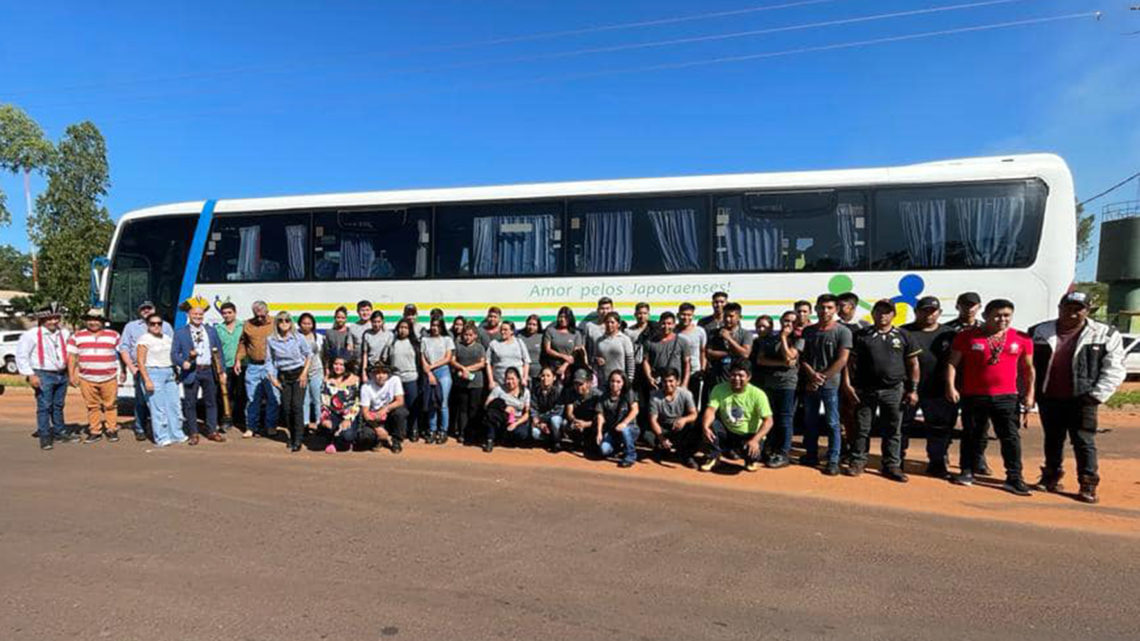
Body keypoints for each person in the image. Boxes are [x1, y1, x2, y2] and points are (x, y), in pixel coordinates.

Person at [1029, 291, 1126, 504]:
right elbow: (1029, 365)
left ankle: (1088, 483)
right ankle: (1051, 476)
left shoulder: (1105, 333)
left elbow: (1115, 368)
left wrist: (1096, 395)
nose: (1072, 313)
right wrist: (1031, 393)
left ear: (1087, 311)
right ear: (1059, 307)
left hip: (1083, 398)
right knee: (1053, 439)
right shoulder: (1039, 331)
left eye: (1078, 309)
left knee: (1083, 441)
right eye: (1068, 308)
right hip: (1049, 397)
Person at [946, 299, 1036, 495]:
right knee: (972, 435)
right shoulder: (967, 337)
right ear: (985, 315)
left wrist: (1030, 394)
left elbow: (1028, 369)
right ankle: (967, 471)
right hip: (973, 395)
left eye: (1006, 315)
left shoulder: (1021, 338)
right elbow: (952, 363)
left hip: (1007, 397)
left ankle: (1014, 477)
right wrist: (951, 387)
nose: (1002, 319)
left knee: (1010, 438)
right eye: (997, 315)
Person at [844, 300, 921, 482]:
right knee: (862, 428)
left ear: (893, 315)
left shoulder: (904, 335)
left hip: (894, 390)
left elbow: (913, 364)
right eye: (879, 312)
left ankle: (891, 465)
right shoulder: (862, 335)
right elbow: (849, 362)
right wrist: (849, 384)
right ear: (873, 314)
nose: (883, 315)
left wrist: (913, 389)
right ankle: (858, 461)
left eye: (887, 312)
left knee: (893, 429)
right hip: (865, 390)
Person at [900, 296, 959, 478]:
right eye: (924, 310)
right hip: (908, 389)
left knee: (939, 429)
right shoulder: (904, 332)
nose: (928, 314)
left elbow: (955, 362)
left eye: (932, 311)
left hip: (939, 390)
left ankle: (937, 463)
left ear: (939, 313)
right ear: (916, 312)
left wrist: (952, 386)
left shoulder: (949, 334)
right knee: (901, 426)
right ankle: (896, 461)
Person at [799, 294, 852, 476]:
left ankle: (833, 459)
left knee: (832, 422)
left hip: (831, 385)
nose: (825, 311)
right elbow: (802, 358)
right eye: (822, 307)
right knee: (810, 421)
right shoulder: (808, 331)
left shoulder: (843, 331)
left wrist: (822, 378)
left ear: (836, 309)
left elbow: (842, 359)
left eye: (829, 307)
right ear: (816, 309)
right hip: (810, 384)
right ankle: (811, 455)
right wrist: (811, 376)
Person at [18, 302, 77, 449]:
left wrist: (71, 373)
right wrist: (30, 375)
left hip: (61, 374)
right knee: (44, 405)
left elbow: (70, 353)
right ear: (42, 320)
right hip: (43, 374)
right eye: (50, 319)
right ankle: (45, 435)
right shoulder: (31, 335)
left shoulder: (63, 333)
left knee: (58, 405)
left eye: (56, 318)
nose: (54, 321)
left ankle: (59, 431)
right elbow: (22, 356)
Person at [698, 359, 773, 472]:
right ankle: (713, 457)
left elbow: (769, 421)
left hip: (749, 435)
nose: (736, 379)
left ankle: (750, 460)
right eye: (733, 375)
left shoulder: (758, 394)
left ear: (749, 377)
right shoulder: (719, 389)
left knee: (752, 455)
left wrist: (755, 440)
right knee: (711, 425)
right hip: (728, 431)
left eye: (741, 376)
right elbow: (711, 410)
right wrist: (705, 427)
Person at [751, 310, 803, 468]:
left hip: (787, 384)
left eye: (792, 322)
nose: (788, 324)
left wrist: (783, 338)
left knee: (785, 419)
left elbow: (790, 357)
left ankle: (784, 452)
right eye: (786, 321)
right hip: (769, 383)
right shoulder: (769, 339)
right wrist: (782, 364)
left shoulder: (799, 340)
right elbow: (761, 360)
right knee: (770, 417)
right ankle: (770, 449)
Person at [171, 296, 226, 445]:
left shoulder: (211, 331)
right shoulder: (180, 332)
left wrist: (222, 371)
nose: (198, 317)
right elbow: (174, 354)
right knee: (190, 403)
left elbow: (219, 352)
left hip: (209, 371)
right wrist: (183, 363)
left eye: (200, 314)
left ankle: (212, 431)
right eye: (195, 314)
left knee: (211, 402)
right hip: (191, 372)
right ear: (189, 315)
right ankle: (193, 433)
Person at [119, 300, 172, 441]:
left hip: (161, 369)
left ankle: (162, 429)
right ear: (139, 311)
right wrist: (131, 367)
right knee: (141, 401)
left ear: (154, 309)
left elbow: (172, 346)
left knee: (161, 402)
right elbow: (124, 348)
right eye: (143, 309)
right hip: (140, 368)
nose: (146, 310)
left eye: (149, 308)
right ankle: (140, 428)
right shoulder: (131, 327)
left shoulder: (165, 326)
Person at [68, 308, 123, 444]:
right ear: (86, 321)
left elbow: (121, 354)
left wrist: (123, 371)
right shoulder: (77, 336)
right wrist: (71, 375)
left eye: (97, 320)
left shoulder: (114, 335)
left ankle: (111, 430)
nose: (93, 323)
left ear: (102, 322)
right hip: (86, 377)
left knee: (110, 405)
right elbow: (72, 357)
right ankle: (95, 431)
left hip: (109, 376)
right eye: (90, 320)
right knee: (92, 406)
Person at [137, 312, 185, 447]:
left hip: (169, 372)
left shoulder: (167, 338)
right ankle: (161, 437)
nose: (156, 326)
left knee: (174, 405)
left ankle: (176, 433)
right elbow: (140, 362)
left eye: (159, 323)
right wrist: (146, 379)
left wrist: (176, 371)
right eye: (153, 323)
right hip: (153, 372)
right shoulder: (144, 339)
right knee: (158, 408)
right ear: (147, 325)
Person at [266, 311, 312, 452]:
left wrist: (304, 373)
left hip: (299, 374)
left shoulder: (298, 338)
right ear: (277, 323)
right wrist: (272, 378)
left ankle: (298, 439)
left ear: (291, 322)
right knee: (286, 408)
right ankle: (291, 436)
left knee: (297, 406)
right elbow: (269, 360)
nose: (284, 323)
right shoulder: (271, 340)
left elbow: (308, 354)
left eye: (287, 320)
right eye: (281, 320)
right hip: (284, 376)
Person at [234, 301, 279, 439]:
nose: (259, 318)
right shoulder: (248, 324)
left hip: (270, 366)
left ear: (267, 312)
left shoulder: (276, 323)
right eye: (256, 315)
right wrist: (238, 359)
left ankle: (271, 426)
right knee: (252, 398)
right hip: (253, 366)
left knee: (273, 398)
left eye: (262, 315)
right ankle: (251, 427)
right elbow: (243, 343)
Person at [645, 368, 699, 466]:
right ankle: (664, 448)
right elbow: (653, 420)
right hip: (663, 428)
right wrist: (661, 438)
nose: (668, 384)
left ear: (678, 382)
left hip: (679, 427)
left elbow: (694, 414)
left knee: (695, 429)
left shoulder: (686, 394)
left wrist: (683, 420)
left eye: (671, 381)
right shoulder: (654, 396)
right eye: (665, 381)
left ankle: (686, 455)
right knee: (647, 435)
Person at [354, 363, 408, 453]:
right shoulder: (366, 387)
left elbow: (400, 401)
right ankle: (378, 440)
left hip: (389, 413)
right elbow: (365, 412)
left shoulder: (395, 380)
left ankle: (396, 440)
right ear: (372, 374)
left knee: (401, 412)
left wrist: (385, 409)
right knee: (364, 438)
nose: (380, 376)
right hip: (374, 416)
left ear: (388, 374)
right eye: (377, 373)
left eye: (384, 373)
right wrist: (377, 428)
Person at [451, 322, 489, 444]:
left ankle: (473, 433)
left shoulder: (479, 348)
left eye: (470, 335)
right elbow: (452, 361)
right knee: (462, 409)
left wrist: (468, 369)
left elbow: (482, 363)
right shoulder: (458, 345)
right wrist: (462, 369)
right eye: (465, 335)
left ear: (475, 336)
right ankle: (462, 432)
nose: (467, 337)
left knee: (474, 408)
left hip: (476, 383)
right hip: (461, 382)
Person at [594, 370, 640, 468]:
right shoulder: (603, 396)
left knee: (625, 430)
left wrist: (624, 423)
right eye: (612, 381)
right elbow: (600, 415)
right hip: (612, 431)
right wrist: (599, 432)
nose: (615, 384)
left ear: (623, 383)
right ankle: (618, 448)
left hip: (630, 428)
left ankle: (630, 456)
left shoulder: (629, 393)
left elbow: (635, 410)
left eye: (618, 382)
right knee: (604, 450)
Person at [421, 317, 455, 444]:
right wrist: (429, 372)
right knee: (431, 403)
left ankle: (443, 430)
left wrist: (432, 366)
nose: (435, 328)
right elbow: (423, 358)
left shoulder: (447, 340)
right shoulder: (425, 340)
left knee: (443, 403)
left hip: (443, 372)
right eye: (433, 325)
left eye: (437, 325)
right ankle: (432, 430)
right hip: (429, 373)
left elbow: (448, 358)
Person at [704, 302, 751, 394]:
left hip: (737, 380)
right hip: (717, 378)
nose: (727, 319)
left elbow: (745, 354)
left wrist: (729, 338)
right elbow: (708, 353)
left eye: (731, 316)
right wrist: (730, 353)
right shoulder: (714, 333)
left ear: (739, 317)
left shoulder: (746, 334)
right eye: (725, 316)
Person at [388, 318, 422, 440]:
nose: (403, 330)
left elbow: (419, 362)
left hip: (411, 378)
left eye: (406, 328)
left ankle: (413, 429)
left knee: (413, 406)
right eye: (401, 327)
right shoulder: (392, 343)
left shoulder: (415, 344)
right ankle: (399, 431)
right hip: (396, 379)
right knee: (398, 408)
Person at [483, 367, 531, 452]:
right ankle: (490, 440)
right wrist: (504, 407)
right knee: (492, 410)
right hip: (501, 418)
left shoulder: (525, 392)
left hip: (517, 420)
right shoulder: (499, 389)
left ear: (519, 379)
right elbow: (487, 404)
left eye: (513, 379)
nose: (510, 382)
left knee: (522, 434)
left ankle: (506, 439)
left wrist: (515, 424)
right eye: (508, 379)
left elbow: (527, 413)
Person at [319, 353, 360, 453]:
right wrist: (325, 418)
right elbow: (324, 401)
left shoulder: (355, 379)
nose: (338, 367)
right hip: (333, 413)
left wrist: (348, 419)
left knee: (347, 436)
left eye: (341, 365)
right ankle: (332, 438)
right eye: (336, 364)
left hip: (349, 414)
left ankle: (342, 441)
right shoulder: (327, 379)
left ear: (347, 366)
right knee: (326, 427)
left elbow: (357, 403)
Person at [215, 301, 245, 433]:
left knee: (241, 394)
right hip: (225, 366)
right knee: (226, 394)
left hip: (242, 365)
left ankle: (241, 419)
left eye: (229, 313)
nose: (226, 315)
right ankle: (227, 419)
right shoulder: (218, 329)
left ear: (235, 313)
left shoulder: (243, 326)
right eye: (224, 313)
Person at [642, 311, 690, 393]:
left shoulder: (682, 341)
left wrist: (684, 383)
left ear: (674, 325)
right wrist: (650, 378)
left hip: (675, 385)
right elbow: (645, 361)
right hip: (657, 384)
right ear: (659, 324)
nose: (666, 326)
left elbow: (687, 364)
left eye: (669, 323)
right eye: (663, 323)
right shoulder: (649, 342)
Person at [297, 313, 324, 437]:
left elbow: (323, 355)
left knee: (317, 399)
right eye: (304, 323)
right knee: (304, 399)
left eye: (309, 323)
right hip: (302, 373)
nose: (306, 326)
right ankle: (306, 424)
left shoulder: (319, 337)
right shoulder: (296, 337)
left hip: (316, 371)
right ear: (299, 324)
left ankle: (320, 423)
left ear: (313, 324)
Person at [542, 306, 584, 381]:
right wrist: (563, 356)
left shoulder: (576, 333)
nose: (562, 319)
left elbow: (576, 352)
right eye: (561, 317)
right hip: (553, 367)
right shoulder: (550, 331)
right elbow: (548, 349)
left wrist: (564, 366)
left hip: (570, 368)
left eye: (565, 317)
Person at [677, 303, 707, 405]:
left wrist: (702, 369)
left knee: (693, 402)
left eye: (689, 315)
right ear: (678, 315)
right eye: (683, 314)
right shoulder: (674, 331)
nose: (686, 317)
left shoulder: (700, 331)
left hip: (695, 372)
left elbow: (703, 351)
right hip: (677, 373)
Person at [563, 369, 601, 451]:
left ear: (589, 383)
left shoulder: (598, 396)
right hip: (577, 422)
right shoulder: (570, 392)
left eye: (580, 384)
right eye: (575, 384)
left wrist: (586, 424)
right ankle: (577, 441)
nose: (578, 386)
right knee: (565, 423)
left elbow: (600, 417)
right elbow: (569, 413)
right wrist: (575, 421)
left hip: (592, 423)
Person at [594, 311, 635, 383]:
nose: (609, 325)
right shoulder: (599, 340)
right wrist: (596, 360)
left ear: (618, 324)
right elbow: (594, 357)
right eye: (607, 322)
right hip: (603, 380)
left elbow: (630, 361)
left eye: (612, 322)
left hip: (619, 381)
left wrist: (629, 379)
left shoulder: (624, 339)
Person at [530, 366, 565, 451]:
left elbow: (558, 411)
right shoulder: (536, 390)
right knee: (534, 433)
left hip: (554, 419)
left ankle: (557, 441)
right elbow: (533, 408)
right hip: (541, 422)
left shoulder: (559, 390)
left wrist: (541, 419)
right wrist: (538, 422)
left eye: (548, 375)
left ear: (554, 377)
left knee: (555, 420)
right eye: (543, 375)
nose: (545, 378)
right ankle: (548, 440)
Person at [488, 320, 530, 387]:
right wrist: (491, 381)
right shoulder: (494, 344)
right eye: (501, 329)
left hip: (517, 383)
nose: (502, 332)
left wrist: (524, 378)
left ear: (512, 331)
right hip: (500, 382)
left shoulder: (519, 342)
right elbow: (488, 363)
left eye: (505, 330)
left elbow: (526, 361)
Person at [322, 306, 355, 376]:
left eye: (343, 318)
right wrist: (326, 368)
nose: (340, 320)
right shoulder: (329, 333)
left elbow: (351, 351)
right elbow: (326, 352)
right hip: (333, 367)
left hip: (346, 367)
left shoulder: (350, 332)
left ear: (346, 319)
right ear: (335, 318)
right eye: (338, 317)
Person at [519, 314, 545, 388]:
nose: (531, 327)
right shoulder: (520, 337)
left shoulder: (542, 337)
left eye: (534, 325)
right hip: (523, 373)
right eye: (529, 324)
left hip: (538, 373)